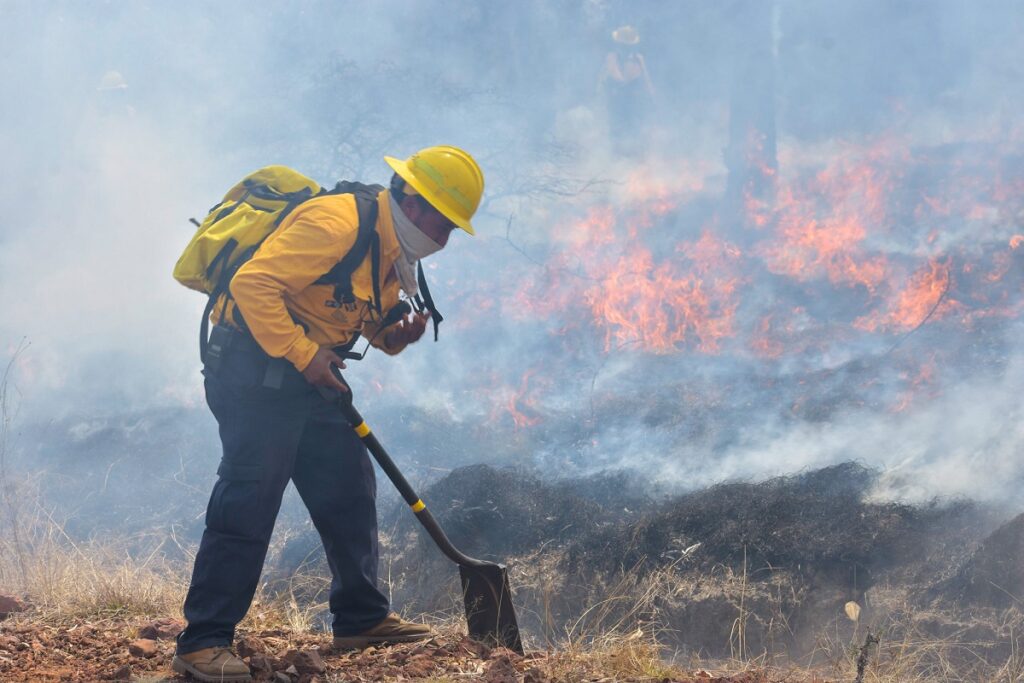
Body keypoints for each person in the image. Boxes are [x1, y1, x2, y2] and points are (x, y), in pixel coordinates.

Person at [171, 146, 485, 683]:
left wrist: (394, 338)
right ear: (413, 202)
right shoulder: (336, 222)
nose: (446, 238)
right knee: (250, 496)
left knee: (349, 485)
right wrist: (304, 355)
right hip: (252, 371)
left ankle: (361, 619)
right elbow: (253, 286)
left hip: (307, 376)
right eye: (444, 223)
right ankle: (202, 644)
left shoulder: (388, 248)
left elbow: (356, 315)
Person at [599, 25, 655, 154]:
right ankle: (616, 159)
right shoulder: (612, 56)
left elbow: (645, 79)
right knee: (616, 132)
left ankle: (632, 158)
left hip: (632, 102)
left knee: (634, 131)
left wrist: (651, 95)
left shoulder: (637, 58)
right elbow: (616, 76)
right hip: (615, 101)